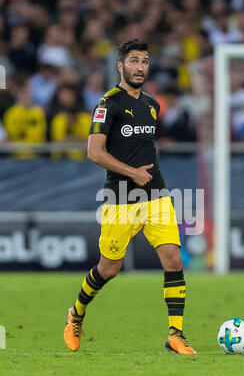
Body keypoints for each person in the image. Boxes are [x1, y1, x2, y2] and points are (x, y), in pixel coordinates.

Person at [63, 39, 196, 355]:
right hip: (120, 196)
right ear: (121, 66)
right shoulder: (107, 104)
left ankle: (175, 334)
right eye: (134, 61)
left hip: (156, 194)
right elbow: (94, 152)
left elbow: (145, 149)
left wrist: (145, 175)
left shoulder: (152, 105)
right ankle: (76, 313)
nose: (140, 67)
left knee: (173, 257)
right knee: (109, 268)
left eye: (145, 61)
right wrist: (132, 172)